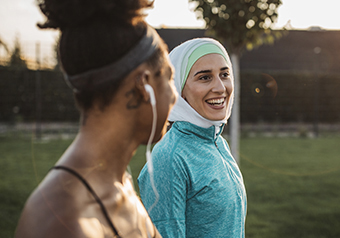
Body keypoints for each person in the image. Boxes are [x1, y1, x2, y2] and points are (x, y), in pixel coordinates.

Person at [15, 0, 177, 237]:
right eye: (170, 78)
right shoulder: (61, 222)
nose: (175, 96)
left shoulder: (118, 184)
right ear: (144, 84)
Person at [138, 38, 247, 238]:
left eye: (224, 74)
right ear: (179, 89)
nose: (221, 88)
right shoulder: (169, 159)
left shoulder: (217, 142)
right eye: (205, 78)